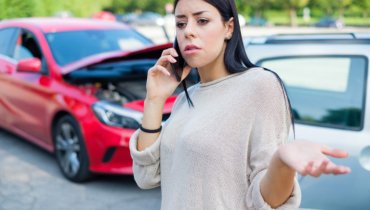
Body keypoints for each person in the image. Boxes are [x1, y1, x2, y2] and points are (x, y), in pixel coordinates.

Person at [129, 0, 351, 209]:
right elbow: (146, 177)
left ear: (229, 27)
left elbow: (268, 201)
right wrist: (155, 99)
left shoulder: (260, 85)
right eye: (180, 23)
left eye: (202, 20)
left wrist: (282, 161)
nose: (188, 31)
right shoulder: (184, 100)